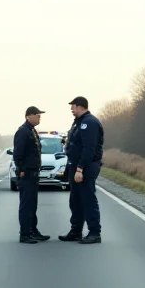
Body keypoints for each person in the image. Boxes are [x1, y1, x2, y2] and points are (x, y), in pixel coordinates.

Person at [59, 96, 103, 244]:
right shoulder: (78, 123)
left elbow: (89, 149)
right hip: (75, 166)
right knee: (75, 200)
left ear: (81, 107)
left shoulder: (89, 122)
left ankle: (94, 232)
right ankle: (76, 230)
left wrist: (80, 168)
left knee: (88, 199)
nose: (72, 109)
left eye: (73, 106)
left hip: (86, 167)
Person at [12, 106, 50, 244]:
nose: (39, 117)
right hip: (26, 174)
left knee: (33, 205)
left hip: (33, 173)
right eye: (37, 115)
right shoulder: (22, 132)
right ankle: (25, 234)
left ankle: (33, 230)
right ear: (29, 116)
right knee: (26, 205)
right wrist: (21, 169)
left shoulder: (32, 130)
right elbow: (18, 153)